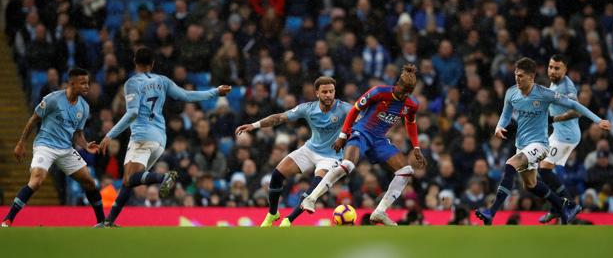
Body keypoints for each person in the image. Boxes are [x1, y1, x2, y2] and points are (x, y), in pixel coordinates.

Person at [96, 47, 231, 227]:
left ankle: (163, 177)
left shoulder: (132, 83)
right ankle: (109, 221)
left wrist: (109, 135)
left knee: (129, 179)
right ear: (152, 64)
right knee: (129, 181)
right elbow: (186, 95)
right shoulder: (162, 80)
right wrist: (215, 92)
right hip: (160, 139)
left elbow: (133, 113)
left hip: (142, 137)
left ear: (135, 62)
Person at [475, 57, 611, 225]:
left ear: (531, 77)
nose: (517, 79)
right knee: (530, 185)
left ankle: (491, 211)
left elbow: (575, 105)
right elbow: (506, 113)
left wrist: (598, 120)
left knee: (510, 165)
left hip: (540, 145)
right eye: (516, 75)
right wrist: (499, 126)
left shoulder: (545, 94)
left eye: (521, 76)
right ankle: (563, 205)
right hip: (522, 145)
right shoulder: (511, 92)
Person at [300, 64, 427, 226]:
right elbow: (354, 110)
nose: (404, 95)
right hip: (361, 132)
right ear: (397, 85)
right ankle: (311, 199)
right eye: (403, 91)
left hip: (379, 140)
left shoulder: (411, 104)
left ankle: (379, 212)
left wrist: (416, 147)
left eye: (408, 93)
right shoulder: (380, 92)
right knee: (348, 165)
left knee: (406, 171)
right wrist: (343, 135)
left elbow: (411, 123)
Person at [235, 76, 351, 227]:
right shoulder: (308, 108)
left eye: (331, 91)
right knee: (277, 175)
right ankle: (272, 213)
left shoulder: (345, 108)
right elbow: (279, 118)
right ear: (317, 93)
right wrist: (254, 125)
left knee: (314, 188)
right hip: (310, 149)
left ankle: (288, 220)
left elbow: (362, 117)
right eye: (324, 92)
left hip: (331, 157)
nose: (328, 95)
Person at [2, 68, 104, 227]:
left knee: (90, 183)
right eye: (83, 83)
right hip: (45, 146)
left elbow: (77, 134)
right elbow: (33, 120)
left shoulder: (84, 107)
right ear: (72, 83)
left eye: (88, 83)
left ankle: (102, 223)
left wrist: (85, 145)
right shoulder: (53, 99)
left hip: (66, 149)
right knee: (36, 181)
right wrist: (21, 143)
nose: (87, 86)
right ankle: (8, 219)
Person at [539, 55, 582, 223]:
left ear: (565, 70)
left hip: (566, 135)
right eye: (551, 67)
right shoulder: (555, 82)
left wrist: (554, 119)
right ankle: (557, 207)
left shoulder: (566, 86)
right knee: (543, 170)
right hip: (558, 133)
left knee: (545, 170)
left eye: (557, 68)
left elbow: (577, 111)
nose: (552, 70)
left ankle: (569, 204)